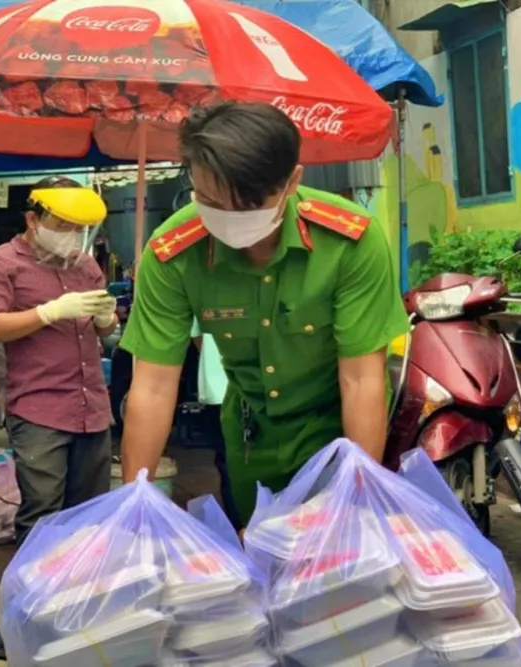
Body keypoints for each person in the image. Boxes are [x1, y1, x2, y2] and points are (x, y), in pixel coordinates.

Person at [119, 101, 409, 525]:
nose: (228, 218)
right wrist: (132, 503)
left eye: (247, 205)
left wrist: (357, 491)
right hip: (250, 436)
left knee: (336, 552)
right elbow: (154, 387)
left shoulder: (349, 242)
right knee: (253, 549)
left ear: (292, 181)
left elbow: (361, 379)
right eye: (209, 200)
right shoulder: (173, 254)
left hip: (337, 433)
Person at [0, 176, 118, 660]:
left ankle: (78, 614)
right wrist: (50, 311)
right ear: (32, 219)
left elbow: (105, 331)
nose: (71, 235)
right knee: (42, 519)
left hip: (91, 407)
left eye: (79, 228)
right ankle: (24, 619)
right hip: (39, 410)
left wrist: (106, 319)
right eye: (62, 224)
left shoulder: (86, 265)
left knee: (89, 518)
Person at [189, 316, 240, 526]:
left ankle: (240, 528)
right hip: (229, 387)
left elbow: (197, 336)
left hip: (220, 384)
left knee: (228, 461)